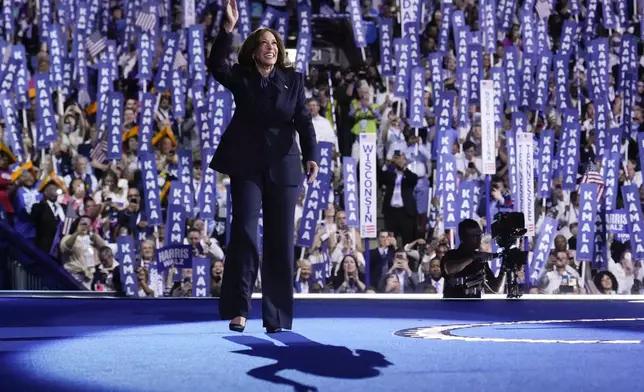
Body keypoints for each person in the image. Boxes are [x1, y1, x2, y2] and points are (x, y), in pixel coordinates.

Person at [207, 0, 319, 333]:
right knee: (244, 234)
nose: (269, 47)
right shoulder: (240, 77)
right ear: (253, 51)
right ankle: (239, 308)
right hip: (247, 165)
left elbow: (304, 121)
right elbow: (215, 65)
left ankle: (277, 316)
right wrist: (227, 29)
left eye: (274, 43)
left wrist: (311, 155)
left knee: (281, 241)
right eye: (263, 43)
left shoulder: (293, 80)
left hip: (285, 168)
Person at [441, 219, 505, 298]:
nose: (479, 239)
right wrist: (473, 257)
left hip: (475, 305)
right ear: (463, 238)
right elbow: (450, 269)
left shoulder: (480, 260)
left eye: (479, 235)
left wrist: (504, 268)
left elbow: (496, 288)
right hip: (454, 304)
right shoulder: (451, 255)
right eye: (474, 236)